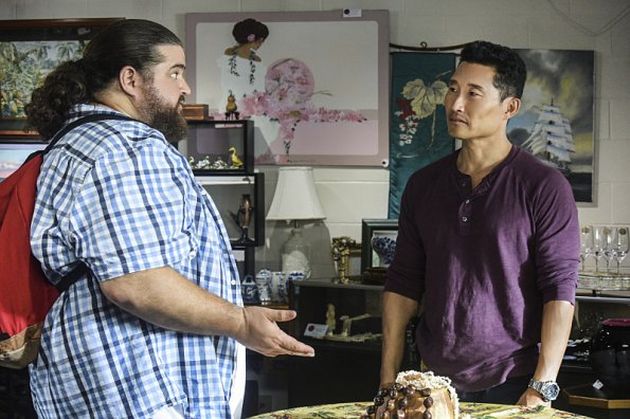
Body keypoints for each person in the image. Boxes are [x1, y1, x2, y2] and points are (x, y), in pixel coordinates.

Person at [26, 19, 314, 419]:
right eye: (174, 73)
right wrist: (239, 322)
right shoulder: (126, 148)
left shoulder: (78, 141)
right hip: (139, 389)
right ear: (130, 79)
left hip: (107, 384)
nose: (186, 87)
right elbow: (136, 283)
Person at [380, 40, 579, 407]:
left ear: (510, 107)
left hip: (513, 382)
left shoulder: (544, 186)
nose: (455, 104)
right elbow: (403, 282)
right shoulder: (422, 185)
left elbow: (559, 289)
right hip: (431, 381)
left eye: (473, 93)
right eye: (452, 89)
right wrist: (388, 379)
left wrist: (542, 385)